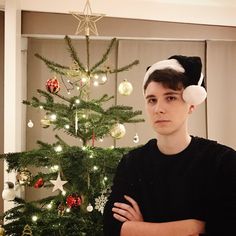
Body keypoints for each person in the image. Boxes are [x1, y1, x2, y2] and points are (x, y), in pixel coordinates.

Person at [103, 55, 236, 236]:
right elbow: (112, 228)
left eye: (170, 98)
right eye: (152, 100)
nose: (159, 108)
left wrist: (141, 229)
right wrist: (193, 226)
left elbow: (225, 228)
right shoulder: (132, 163)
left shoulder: (223, 161)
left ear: (191, 105)